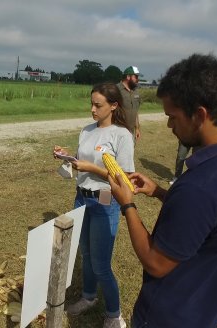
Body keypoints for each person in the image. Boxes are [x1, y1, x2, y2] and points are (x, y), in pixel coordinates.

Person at [107, 53, 217, 328]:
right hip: (205, 311)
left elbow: (155, 262)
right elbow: (211, 221)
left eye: (173, 117)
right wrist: (158, 191)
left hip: (167, 316)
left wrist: (127, 205)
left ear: (200, 115)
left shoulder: (200, 186)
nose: (170, 126)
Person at [55, 82, 134, 328]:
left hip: (104, 199)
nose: (92, 109)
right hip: (81, 197)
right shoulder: (86, 130)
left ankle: (114, 314)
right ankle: (89, 297)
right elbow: (82, 160)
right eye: (91, 104)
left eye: (98, 105)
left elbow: (125, 178)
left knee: (101, 264)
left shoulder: (121, 135)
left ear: (113, 105)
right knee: (86, 254)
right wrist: (68, 157)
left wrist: (93, 169)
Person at [118, 66, 142, 143]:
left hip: (131, 132)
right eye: (136, 77)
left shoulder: (135, 91)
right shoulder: (116, 90)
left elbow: (135, 111)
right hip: (118, 132)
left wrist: (137, 128)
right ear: (128, 77)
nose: (138, 80)